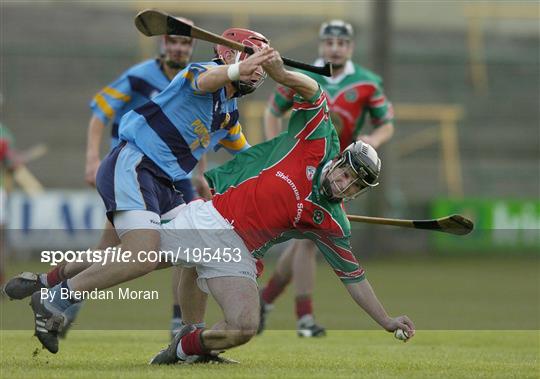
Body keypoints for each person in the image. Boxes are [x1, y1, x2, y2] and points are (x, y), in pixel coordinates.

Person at [5, 28, 273, 354]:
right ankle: (54, 299)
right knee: (141, 256)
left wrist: (298, 185)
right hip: (134, 165)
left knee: (199, 242)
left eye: (261, 63)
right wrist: (235, 69)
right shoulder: (200, 73)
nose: (257, 69)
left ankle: (189, 338)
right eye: (251, 57)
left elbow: (252, 160)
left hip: (165, 184)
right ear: (228, 54)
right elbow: (210, 79)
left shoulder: (229, 113)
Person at [259, 20, 395, 337]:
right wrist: (275, 151)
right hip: (303, 165)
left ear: (351, 47)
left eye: (342, 43)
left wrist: (373, 140)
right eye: (330, 42)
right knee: (308, 240)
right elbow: (272, 112)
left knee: (307, 238)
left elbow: (386, 124)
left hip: (341, 176)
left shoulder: (367, 83)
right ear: (321, 45)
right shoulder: (302, 73)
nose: (335, 47)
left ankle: (266, 300)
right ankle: (302, 317)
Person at [84, 18, 205, 335]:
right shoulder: (140, 77)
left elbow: (198, 132)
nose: (179, 48)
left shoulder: (196, 80)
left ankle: (181, 322)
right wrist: (92, 158)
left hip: (175, 175)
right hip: (131, 172)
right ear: (163, 44)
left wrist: (199, 174)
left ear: (192, 47)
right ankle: (60, 295)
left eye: (185, 43)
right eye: (173, 42)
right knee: (108, 254)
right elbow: (99, 111)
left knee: (191, 240)